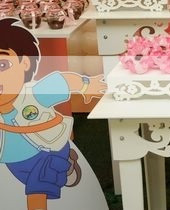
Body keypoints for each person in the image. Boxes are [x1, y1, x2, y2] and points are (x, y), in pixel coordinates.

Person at [0, 18, 105, 210]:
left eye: (2, 66)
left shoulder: (34, 94)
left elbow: (63, 81)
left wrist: (87, 85)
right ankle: (67, 168)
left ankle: (63, 165)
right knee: (27, 186)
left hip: (46, 153)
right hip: (13, 164)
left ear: (25, 63)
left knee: (36, 193)